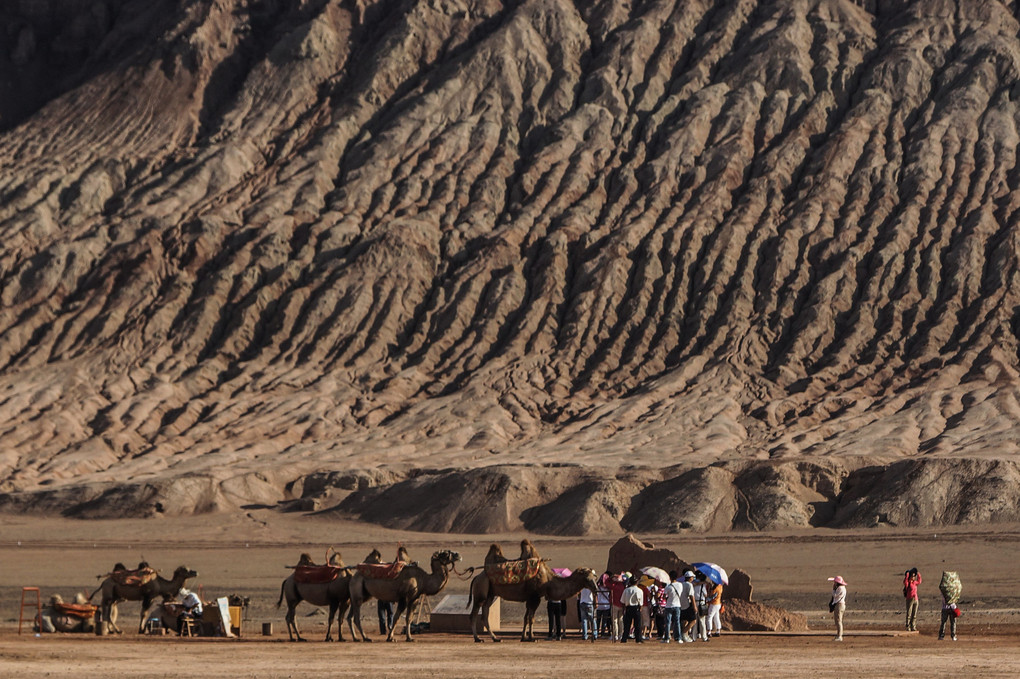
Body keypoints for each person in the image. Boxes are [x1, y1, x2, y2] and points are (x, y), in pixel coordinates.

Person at [620, 576, 644, 643]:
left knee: (627, 625)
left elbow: (622, 601)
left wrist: (624, 609)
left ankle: (624, 638)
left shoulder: (626, 590)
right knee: (637, 625)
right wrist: (640, 609)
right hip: (636, 608)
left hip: (628, 608)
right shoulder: (639, 590)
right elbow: (641, 602)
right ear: (637, 582)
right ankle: (638, 639)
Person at [661, 570, 682, 643]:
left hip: (669, 605)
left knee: (668, 622)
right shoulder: (680, 585)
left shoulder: (668, 586)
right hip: (677, 605)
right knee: (677, 622)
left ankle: (667, 638)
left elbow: (664, 597)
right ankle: (678, 638)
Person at [679, 571, 699, 642]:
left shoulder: (681, 584)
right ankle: (684, 633)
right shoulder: (689, 585)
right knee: (693, 621)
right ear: (690, 578)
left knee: (685, 621)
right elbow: (691, 596)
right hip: (688, 605)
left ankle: (685, 636)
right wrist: (694, 606)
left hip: (681, 605)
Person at [828, 576, 847, 641]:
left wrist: (833, 589)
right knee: (838, 620)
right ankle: (839, 635)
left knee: (838, 621)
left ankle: (839, 636)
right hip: (840, 605)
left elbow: (835, 595)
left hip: (839, 605)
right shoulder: (842, 588)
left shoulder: (840, 588)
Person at [609, 572, 627, 641]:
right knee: (620, 620)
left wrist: (612, 578)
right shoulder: (623, 586)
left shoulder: (614, 585)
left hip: (614, 604)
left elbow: (607, 582)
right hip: (621, 605)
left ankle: (615, 635)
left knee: (614, 620)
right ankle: (620, 634)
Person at [693, 571, 710, 641]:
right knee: (702, 621)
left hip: (694, 602)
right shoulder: (702, 586)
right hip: (701, 603)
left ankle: (693, 637)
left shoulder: (693, 585)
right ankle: (704, 637)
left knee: (694, 621)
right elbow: (705, 595)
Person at [596, 573, 612, 639]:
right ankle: (602, 633)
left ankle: (596, 633)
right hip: (606, 605)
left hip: (599, 605)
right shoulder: (609, 587)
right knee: (604, 621)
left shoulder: (598, 587)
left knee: (598, 620)